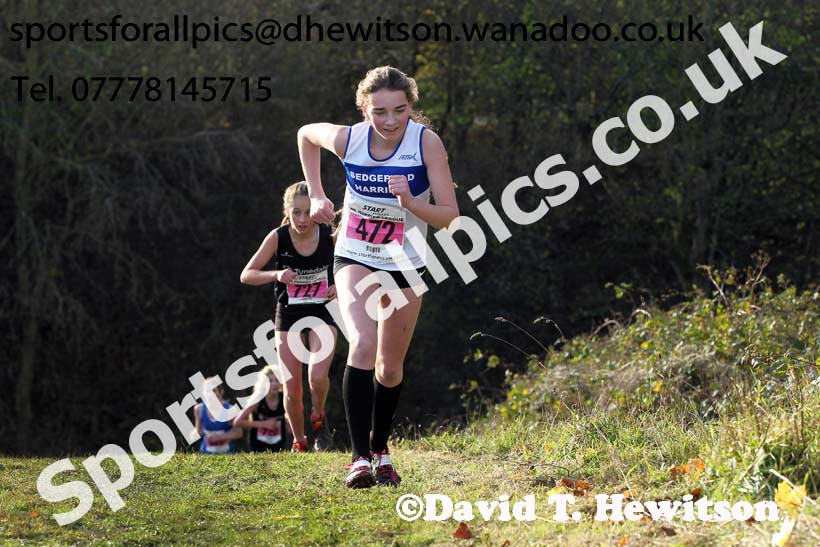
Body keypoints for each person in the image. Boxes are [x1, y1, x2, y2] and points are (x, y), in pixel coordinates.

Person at [297, 66, 458, 487]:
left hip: (405, 261)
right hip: (355, 254)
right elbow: (305, 135)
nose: (390, 121)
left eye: (400, 110)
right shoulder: (350, 139)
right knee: (363, 345)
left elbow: (449, 217)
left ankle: (380, 449)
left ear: (411, 106)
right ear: (363, 108)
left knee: (389, 368)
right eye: (379, 111)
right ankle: (358, 459)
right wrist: (316, 193)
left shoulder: (426, 143)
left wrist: (409, 201)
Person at [240, 181, 338, 452]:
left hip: (322, 310)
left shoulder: (330, 235)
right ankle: (299, 442)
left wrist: (339, 286)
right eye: (296, 212)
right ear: (287, 210)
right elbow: (247, 274)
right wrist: (276, 274)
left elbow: (351, 265)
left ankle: (318, 420)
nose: (303, 219)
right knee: (292, 390)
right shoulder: (278, 237)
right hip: (290, 313)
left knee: (317, 377)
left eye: (308, 212)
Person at [233, 365, 288, 452]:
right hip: (258, 447)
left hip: (279, 446)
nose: (274, 384)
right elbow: (237, 422)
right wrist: (264, 424)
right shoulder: (258, 399)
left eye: (277, 380)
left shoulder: (285, 398)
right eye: (270, 381)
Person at [193, 377, 243, 455]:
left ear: (220, 392)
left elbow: (239, 433)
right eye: (207, 391)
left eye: (213, 390)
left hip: (227, 454)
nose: (210, 394)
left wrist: (220, 437)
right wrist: (194, 433)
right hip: (206, 453)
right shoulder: (198, 409)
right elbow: (199, 431)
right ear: (203, 393)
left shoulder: (231, 410)